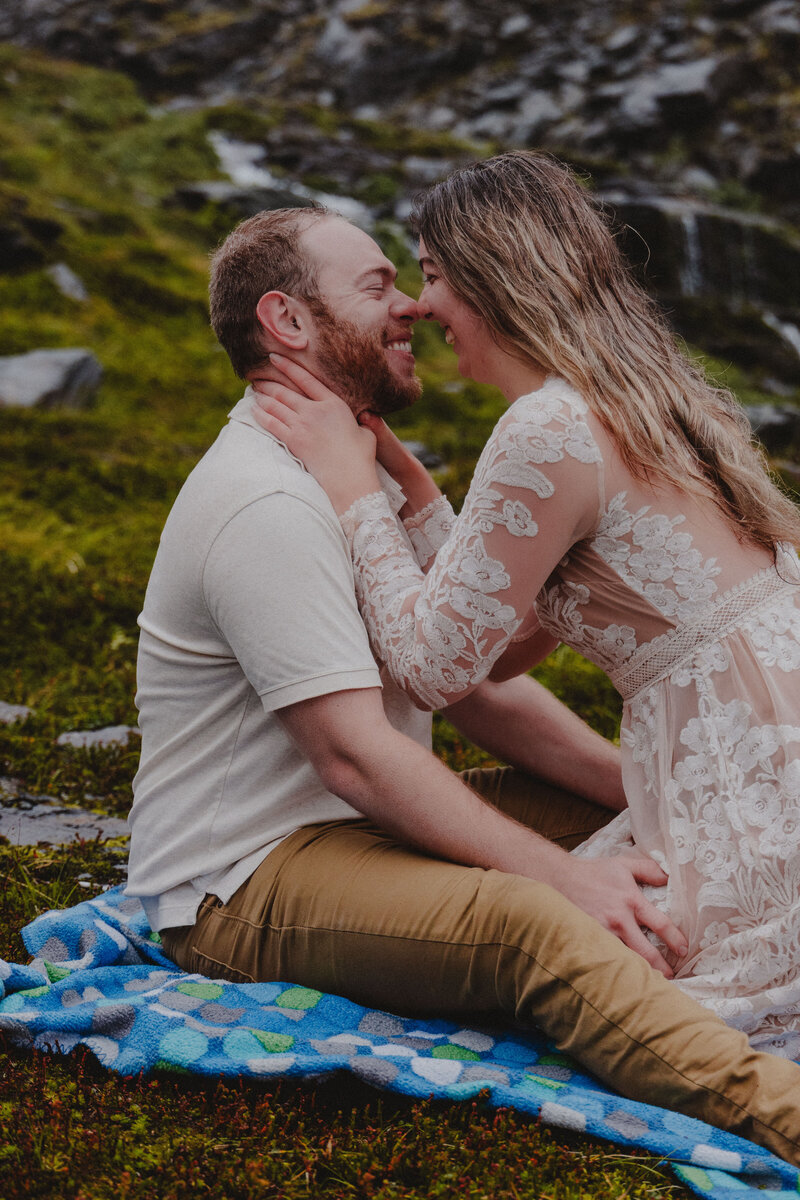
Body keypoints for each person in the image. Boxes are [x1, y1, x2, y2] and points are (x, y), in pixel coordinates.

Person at [126, 204, 800, 1167]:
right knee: (533, 921)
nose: (409, 306)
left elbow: (473, 684)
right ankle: (781, 1109)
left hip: (363, 829)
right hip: (245, 879)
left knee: (643, 812)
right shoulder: (265, 500)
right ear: (288, 321)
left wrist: (662, 791)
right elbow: (356, 757)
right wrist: (568, 879)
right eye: (377, 286)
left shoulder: (348, 469)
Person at [252, 152, 800, 1065]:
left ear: (489, 272)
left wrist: (352, 493)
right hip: (768, 711)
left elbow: (438, 670)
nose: (420, 306)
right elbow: (506, 650)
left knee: (639, 994)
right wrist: (422, 499)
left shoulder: (546, 426)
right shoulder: (642, 394)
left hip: (746, 748)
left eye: (429, 272)